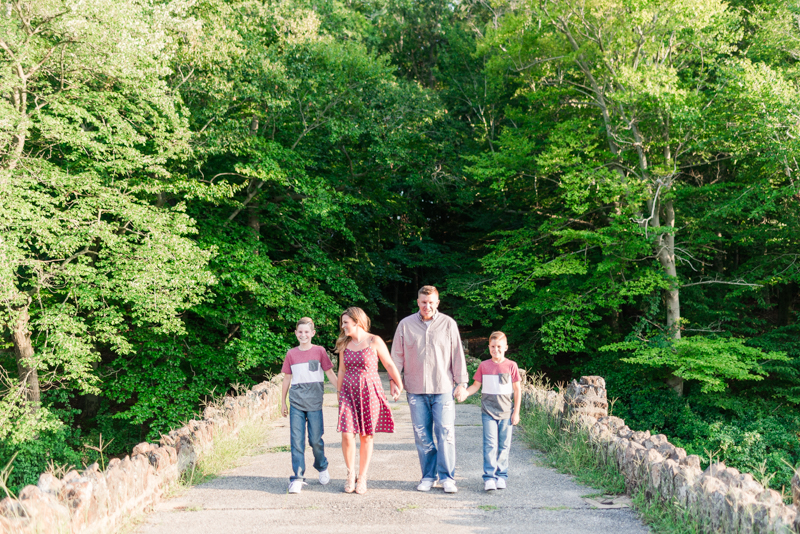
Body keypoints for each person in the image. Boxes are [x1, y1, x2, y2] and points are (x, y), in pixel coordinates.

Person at [390, 285, 468, 493]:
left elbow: (457, 354)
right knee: (422, 434)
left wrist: (461, 383)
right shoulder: (405, 325)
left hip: (443, 388)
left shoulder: (448, 324)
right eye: (424, 302)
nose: (428, 306)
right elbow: (396, 356)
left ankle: (447, 477)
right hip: (415, 389)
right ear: (418, 302)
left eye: (431, 302)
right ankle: (428, 476)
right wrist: (395, 382)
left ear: (437, 303)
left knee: (445, 432)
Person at [336, 307, 403, 495]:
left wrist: (399, 384)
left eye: (346, 323)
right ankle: (350, 474)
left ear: (357, 322)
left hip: (369, 392)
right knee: (347, 434)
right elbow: (341, 370)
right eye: (343, 323)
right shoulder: (344, 344)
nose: (343, 326)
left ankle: (362, 476)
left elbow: (389, 363)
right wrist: (339, 393)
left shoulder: (374, 341)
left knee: (366, 435)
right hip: (348, 392)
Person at [280, 317, 339, 494]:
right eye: (300, 332)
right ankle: (298, 477)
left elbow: (329, 373)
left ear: (312, 333)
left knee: (315, 440)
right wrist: (283, 401)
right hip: (296, 401)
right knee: (297, 441)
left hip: (314, 402)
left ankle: (322, 466)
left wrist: (341, 391)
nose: (303, 335)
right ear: (296, 333)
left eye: (307, 332)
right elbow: (287, 379)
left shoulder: (320, 351)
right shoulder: (291, 354)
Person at [461, 331, 522, 491]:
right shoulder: (484, 365)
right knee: (489, 445)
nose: (496, 350)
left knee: (504, 445)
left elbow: (517, 390)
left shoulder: (511, 366)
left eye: (499, 347)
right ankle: (489, 478)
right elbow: (475, 386)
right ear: (489, 347)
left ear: (506, 347)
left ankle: (501, 476)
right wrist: (466, 392)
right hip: (488, 412)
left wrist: (516, 412)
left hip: (506, 413)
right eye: (493, 347)